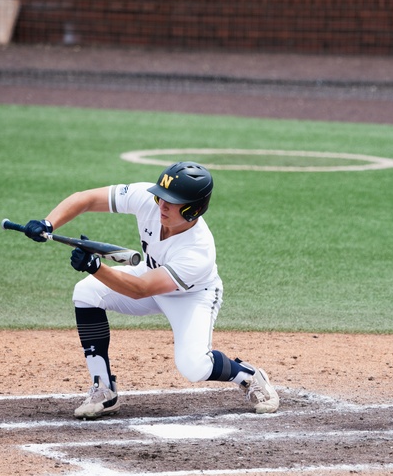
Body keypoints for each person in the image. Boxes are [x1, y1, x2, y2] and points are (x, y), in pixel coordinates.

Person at [20, 161, 280, 419]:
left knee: (193, 366)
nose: (162, 205)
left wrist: (96, 267)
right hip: (150, 274)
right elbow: (85, 199)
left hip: (192, 298)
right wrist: (49, 223)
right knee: (87, 293)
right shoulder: (148, 200)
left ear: (194, 209)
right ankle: (103, 389)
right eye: (161, 197)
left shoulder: (198, 250)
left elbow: (140, 290)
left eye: (172, 201)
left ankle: (246, 375)